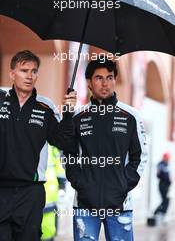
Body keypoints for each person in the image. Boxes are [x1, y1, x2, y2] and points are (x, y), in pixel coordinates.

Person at [65, 57, 147, 241]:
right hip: (85, 204)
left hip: (120, 204)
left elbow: (140, 156)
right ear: (89, 83)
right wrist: (80, 183)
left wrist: (123, 186)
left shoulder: (130, 116)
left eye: (110, 77)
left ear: (115, 80)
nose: (105, 83)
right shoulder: (77, 116)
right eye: (99, 78)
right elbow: (67, 153)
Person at [0, 50, 76, 241]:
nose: (29, 76)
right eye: (24, 70)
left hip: (31, 193)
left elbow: (63, 142)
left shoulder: (46, 107)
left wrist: (68, 113)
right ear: (12, 74)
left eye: (34, 71)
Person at [154, 152, 171, 219]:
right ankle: (158, 212)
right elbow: (158, 175)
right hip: (162, 185)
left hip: (166, 185)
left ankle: (161, 213)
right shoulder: (161, 164)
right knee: (165, 200)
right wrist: (166, 179)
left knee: (166, 200)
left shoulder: (166, 164)